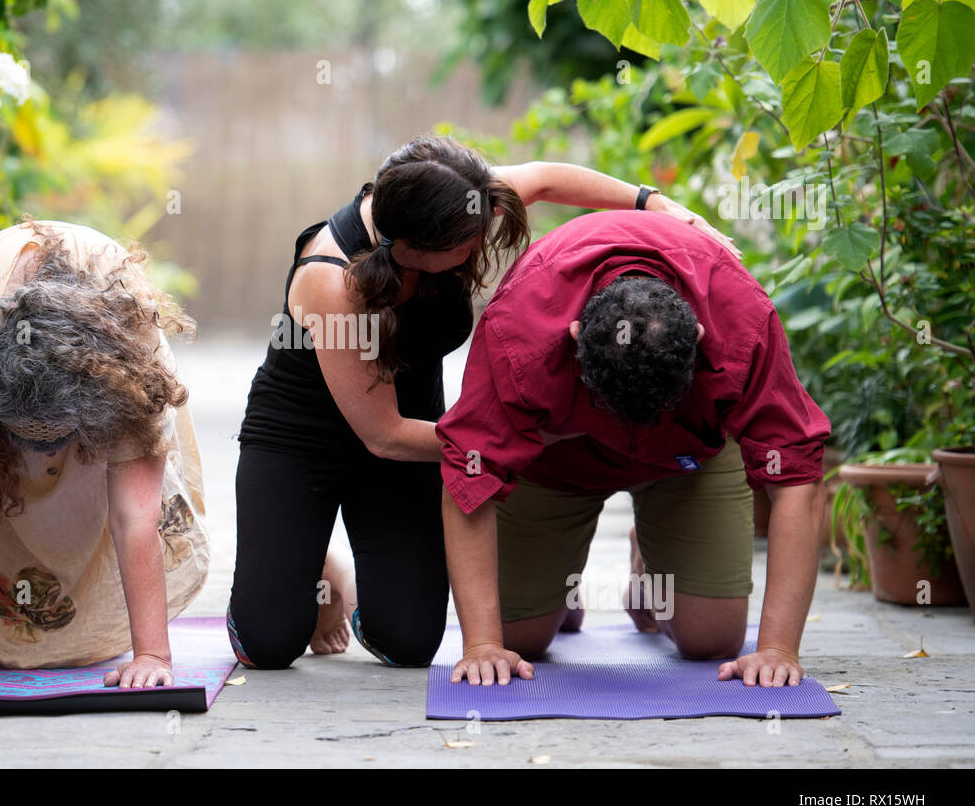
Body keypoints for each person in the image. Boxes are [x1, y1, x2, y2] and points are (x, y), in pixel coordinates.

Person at [227, 135, 735, 670]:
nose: (480, 245)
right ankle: (318, 566)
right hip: (305, 439)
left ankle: (348, 583)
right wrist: (524, 435)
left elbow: (543, 177)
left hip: (411, 426)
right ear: (412, 249)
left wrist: (656, 204)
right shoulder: (331, 279)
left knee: (408, 640)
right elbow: (383, 436)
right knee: (268, 642)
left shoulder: (451, 198)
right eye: (467, 245)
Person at [437, 208, 830, 689]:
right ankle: (558, 587)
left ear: (700, 342)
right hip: (557, 461)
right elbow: (470, 468)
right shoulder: (520, 329)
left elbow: (796, 472)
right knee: (517, 640)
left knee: (712, 640)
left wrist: (776, 648)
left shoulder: (740, 320)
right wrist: (481, 645)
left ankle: (647, 569)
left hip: (684, 461)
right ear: (575, 337)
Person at [0, 219, 209, 692]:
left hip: (106, 366)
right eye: (29, 435)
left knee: (129, 494)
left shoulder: (131, 332)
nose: (43, 449)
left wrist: (152, 656)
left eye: (52, 437)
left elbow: (136, 514)